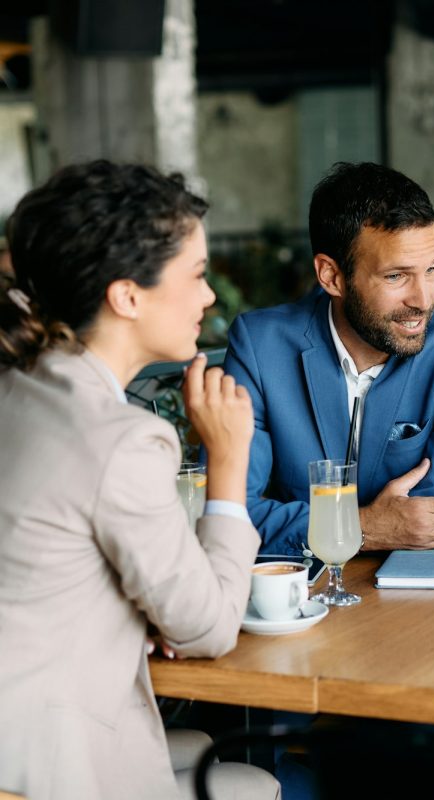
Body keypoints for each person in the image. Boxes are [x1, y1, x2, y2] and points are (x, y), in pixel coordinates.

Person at [0, 161, 279, 800]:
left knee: (202, 747)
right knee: (252, 783)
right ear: (127, 296)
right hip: (39, 764)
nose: (210, 297)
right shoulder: (119, 438)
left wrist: (137, 609)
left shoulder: (17, 386)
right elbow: (208, 629)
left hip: (20, 728)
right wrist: (228, 461)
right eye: (198, 275)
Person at [225, 161, 434, 554]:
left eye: (432, 269)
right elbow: (232, 515)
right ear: (331, 276)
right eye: (396, 276)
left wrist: (324, 525)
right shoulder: (260, 346)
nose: (423, 300)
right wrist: (370, 526)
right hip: (301, 594)